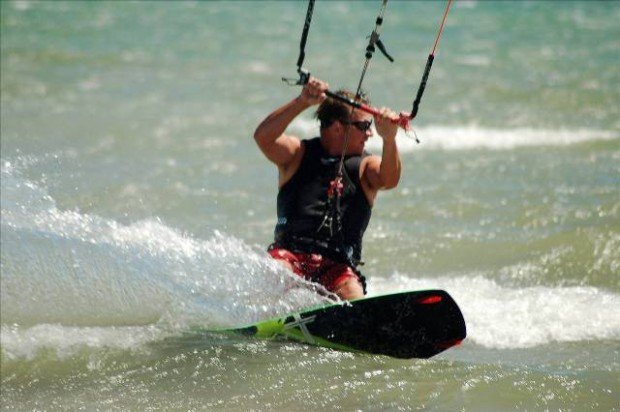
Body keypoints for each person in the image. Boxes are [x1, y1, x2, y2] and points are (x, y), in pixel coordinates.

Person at [253, 77, 402, 300]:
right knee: (279, 272)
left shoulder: (364, 167)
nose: (369, 133)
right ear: (337, 128)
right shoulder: (297, 154)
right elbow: (263, 138)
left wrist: (389, 139)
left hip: (337, 267)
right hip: (290, 256)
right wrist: (302, 101)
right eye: (364, 126)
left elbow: (389, 179)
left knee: (352, 292)